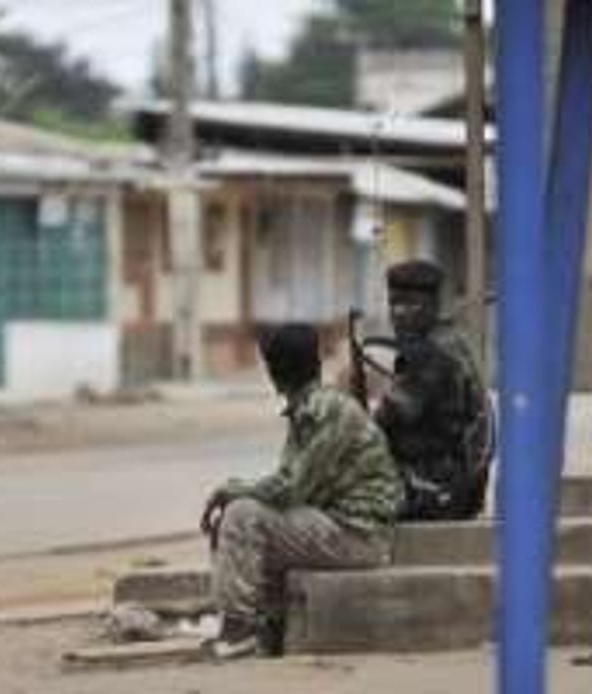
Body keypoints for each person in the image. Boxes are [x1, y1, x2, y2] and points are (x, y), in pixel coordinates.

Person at [200, 323, 403, 659]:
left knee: (242, 516)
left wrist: (230, 491)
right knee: (248, 515)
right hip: (342, 528)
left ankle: (240, 631)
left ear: (273, 374)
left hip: (359, 536)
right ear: (316, 363)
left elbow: (291, 488)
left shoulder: (324, 410)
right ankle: (266, 627)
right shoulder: (312, 408)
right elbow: (291, 486)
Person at [376, 260, 491, 521]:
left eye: (411, 304)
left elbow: (383, 422)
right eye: (394, 304)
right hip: (460, 489)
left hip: (435, 490)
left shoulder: (427, 356)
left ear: (433, 306)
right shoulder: (452, 340)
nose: (399, 314)